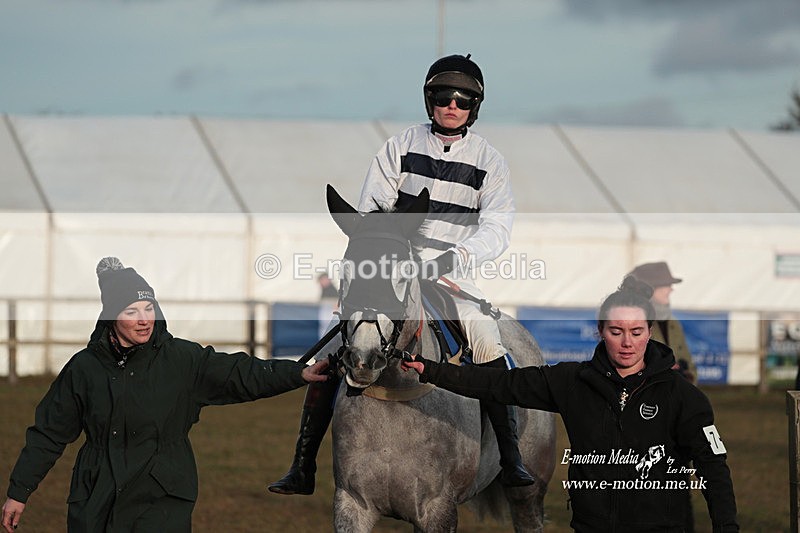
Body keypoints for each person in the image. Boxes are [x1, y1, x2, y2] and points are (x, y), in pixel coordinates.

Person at [268, 53, 534, 496]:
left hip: (453, 270)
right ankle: (303, 464)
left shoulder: (491, 160)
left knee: (487, 339)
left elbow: (497, 227)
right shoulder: (399, 146)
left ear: (474, 107)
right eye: (443, 97)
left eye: (463, 100)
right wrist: (396, 255)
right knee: (339, 347)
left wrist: (453, 260)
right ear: (429, 101)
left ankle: (510, 460)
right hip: (394, 265)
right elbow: (374, 209)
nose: (452, 106)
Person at [1, 257, 329, 533]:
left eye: (149, 307)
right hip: (95, 497)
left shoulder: (181, 360)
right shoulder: (84, 369)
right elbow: (48, 434)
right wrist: (19, 493)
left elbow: (240, 373)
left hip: (161, 496)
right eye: (132, 312)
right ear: (112, 317)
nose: (145, 320)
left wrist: (297, 373)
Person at [402, 276, 739, 532]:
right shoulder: (572, 381)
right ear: (600, 331)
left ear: (650, 332)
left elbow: (714, 470)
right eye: (616, 331)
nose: (626, 343)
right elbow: (500, 383)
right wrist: (431, 370)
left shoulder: (684, 397)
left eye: (636, 332)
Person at [628, 261, 696, 383]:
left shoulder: (673, 323)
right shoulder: (629, 324)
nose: (671, 290)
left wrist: (685, 380)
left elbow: (690, 368)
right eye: (666, 285)